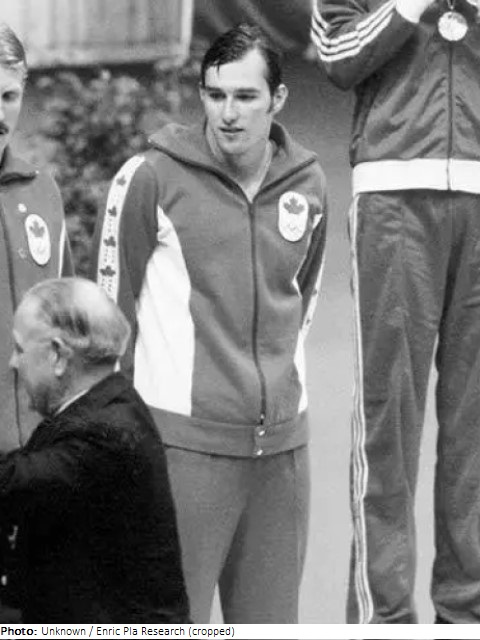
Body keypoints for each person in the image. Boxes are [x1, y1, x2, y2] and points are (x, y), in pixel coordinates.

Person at [91, 23, 327, 623]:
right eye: (215, 94)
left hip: (281, 461)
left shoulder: (309, 183)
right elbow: (105, 324)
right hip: (180, 456)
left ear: (278, 99)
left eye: (245, 96)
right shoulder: (148, 178)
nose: (228, 113)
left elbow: (302, 304)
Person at [311, 0, 480, 625]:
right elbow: (337, 55)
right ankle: (382, 620)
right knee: (388, 422)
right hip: (393, 196)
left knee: (475, 428)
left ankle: (466, 616)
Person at [1, 277, 190, 623]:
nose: (13, 362)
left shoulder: (103, 436)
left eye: (19, 349)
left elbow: (13, 484)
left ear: (58, 355)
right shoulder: (110, 403)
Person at [0, 21, 73, 619]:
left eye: (7, 95)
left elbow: (66, 327)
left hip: (37, 465)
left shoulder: (42, 193)